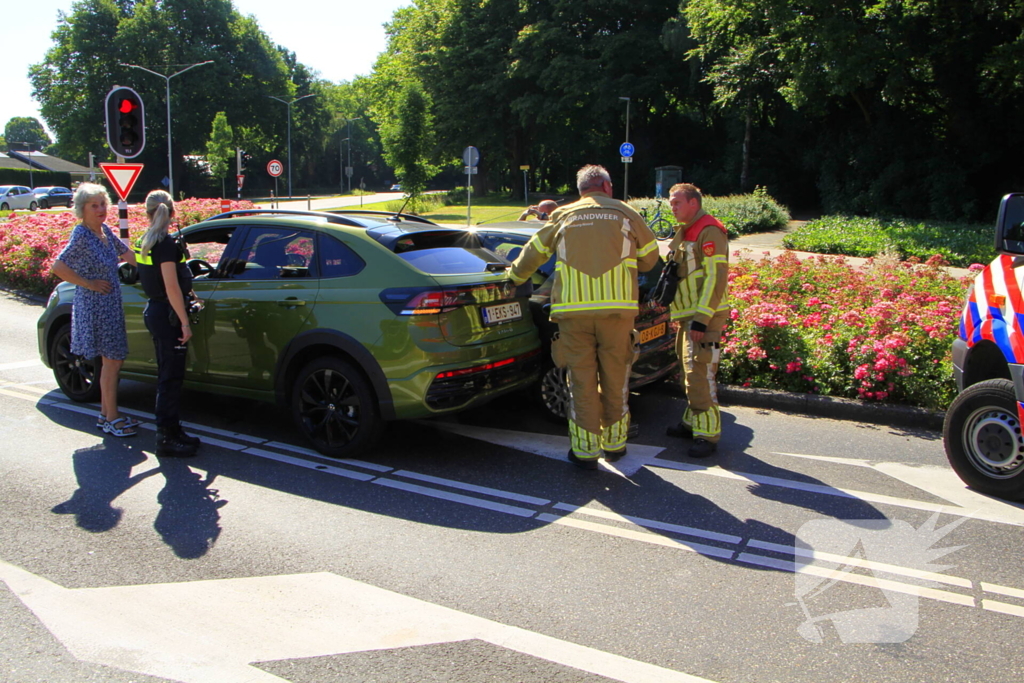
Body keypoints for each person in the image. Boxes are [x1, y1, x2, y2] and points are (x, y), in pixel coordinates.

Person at [508, 165, 659, 469]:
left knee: (581, 384)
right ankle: (615, 445)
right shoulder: (626, 213)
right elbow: (650, 258)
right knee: (616, 380)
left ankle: (585, 451)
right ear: (607, 187)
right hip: (616, 314)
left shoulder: (563, 215)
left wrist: (514, 277)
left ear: (581, 190)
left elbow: (533, 253)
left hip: (573, 314)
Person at [50, 183, 139, 437]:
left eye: (102, 204)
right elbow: (58, 266)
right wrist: (89, 283)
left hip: (111, 304)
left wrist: (159, 264)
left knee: (113, 360)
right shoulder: (82, 235)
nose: (101, 209)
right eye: (94, 206)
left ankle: (105, 414)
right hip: (95, 306)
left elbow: (128, 254)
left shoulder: (104, 231)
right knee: (112, 360)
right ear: (82, 209)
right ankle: (112, 418)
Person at [134, 189, 202, 458]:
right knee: (170, 378)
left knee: (169, 375)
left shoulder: (146, 241)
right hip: (168, 315)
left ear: (147, 213)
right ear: (172, 213)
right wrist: (185, 322)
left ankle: (173, 430)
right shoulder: (165, 244)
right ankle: (165, 438)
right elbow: (171, 286)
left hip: (156, 310)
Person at [664, 183, 730, 458]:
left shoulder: (709, 230)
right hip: (689, 316)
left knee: (699, 375)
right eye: (671, 202)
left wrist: (701, 320)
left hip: (703, 317)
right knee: (688, 372)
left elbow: (716, 277)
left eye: (677, 202)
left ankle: (708, 435)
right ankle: (693, 423)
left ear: (694, 203)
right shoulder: (687, 230)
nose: (672, 207)